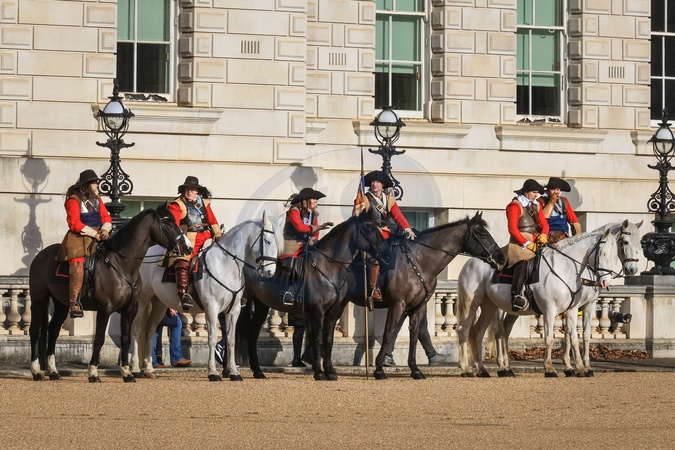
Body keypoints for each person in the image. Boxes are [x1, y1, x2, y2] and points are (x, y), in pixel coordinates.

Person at [352, 170, 415, 307]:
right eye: (373, 182)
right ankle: (373, 288)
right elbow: (356, 217)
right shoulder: (366, 199)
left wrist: (407, 228)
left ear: (382, 185)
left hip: (386, 235)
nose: (374, 184)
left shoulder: (389, 200)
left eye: (377, 182)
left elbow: (398, 216)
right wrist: (358, 205)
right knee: (374, 260)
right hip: (370, 236)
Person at [56, 169, 112, 319]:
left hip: (99, 235)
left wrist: (105, 229)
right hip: (79, 237)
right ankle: (74, 303)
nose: (97, 185)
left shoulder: (97, 199)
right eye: (95, 183)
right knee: (77, 266)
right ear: (87, 185)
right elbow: (74, 223)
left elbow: (106, 217)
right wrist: (95, 234)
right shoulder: (73, 200)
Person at [168, 176, 222, 312]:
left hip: (207, 236)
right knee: (183, 260)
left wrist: (218, 234)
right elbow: (173, 226)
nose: (189, 191)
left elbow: (213, 221)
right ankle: (183, 294)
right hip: (189, 238)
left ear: (197, 191)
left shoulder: (204, 203)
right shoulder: (177, 204)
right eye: (187, 189)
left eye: (192, 189)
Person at [279, 187, 332, 305]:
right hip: (291, 242)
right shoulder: (294, 211)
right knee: (289, 265)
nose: (316, 201)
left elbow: (316, 233)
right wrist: (318, 227)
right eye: (313, 198)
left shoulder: (314, 214)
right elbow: (300, 227)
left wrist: (313, 240)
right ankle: (285, 292)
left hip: (306, 243)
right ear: (305, 201)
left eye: (316, 199)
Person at [505, 179, 549, 312]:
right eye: (534, 192)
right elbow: (513, 229)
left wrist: (544, 234)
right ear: (527, 192)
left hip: (536, 240)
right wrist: (526, 243)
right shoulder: (514, 206)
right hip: (519, 242)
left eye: (537, 193)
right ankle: (516, 295)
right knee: (523, 260)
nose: (536, 195)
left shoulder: (537, 205)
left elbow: (544, 224)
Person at [382, 314, 451, 367]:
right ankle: (432, 356)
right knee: (421, 326)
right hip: (416, 303)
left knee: (395, 326)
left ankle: (387, 356)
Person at [537, 176, 582, 243]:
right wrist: (552, 202)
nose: (556, 192)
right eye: (553, 189)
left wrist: (578, 238)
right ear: (548, 191)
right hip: (547, 238)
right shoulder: (541, 202)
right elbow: (542, 219)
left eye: (558, 189)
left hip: (564, 237)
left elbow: (574, 220)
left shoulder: (564, 201)